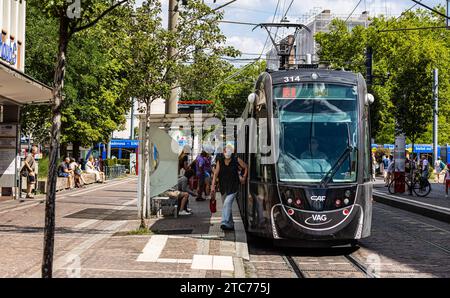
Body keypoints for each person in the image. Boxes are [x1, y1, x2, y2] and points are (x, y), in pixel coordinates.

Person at [211, 145, 248, 231]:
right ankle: (230, 224)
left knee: (227, 203)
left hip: (233, 186)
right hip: (223, 187)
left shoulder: (236, 160)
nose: (227, 154)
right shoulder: (220, 161)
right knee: (226, 205)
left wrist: (244, 177)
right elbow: (216, 174)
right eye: (225, 151)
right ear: (223, 153)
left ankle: (224, 222)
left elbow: (246, 167)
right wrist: (213, 186)